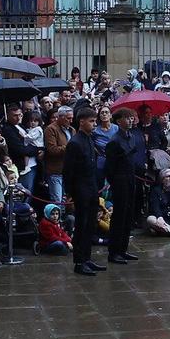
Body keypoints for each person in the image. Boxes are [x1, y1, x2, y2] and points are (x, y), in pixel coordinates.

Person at [104, 105, 147, 265]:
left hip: (131, 178)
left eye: (131, 118)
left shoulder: (131, 136)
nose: (130, 120)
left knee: (128, 214)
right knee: (119, 216)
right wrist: (115, 181)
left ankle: (123, 249)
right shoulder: (115, 140)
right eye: (127, 118)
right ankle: (114, 251)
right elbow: (110, 167)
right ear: (119, 120)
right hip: (120, 180)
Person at [65, 102, 103, 275]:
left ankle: (87, 258)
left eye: (95, 121)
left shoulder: (89, 139)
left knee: (90, 226)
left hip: (92, 187)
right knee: (82, 225)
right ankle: (79, 262)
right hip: (81, 189)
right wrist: (70, 193)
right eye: (91, 121)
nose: (95, 124)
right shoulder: (75, 142)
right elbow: (69, 170)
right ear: (81, 121)